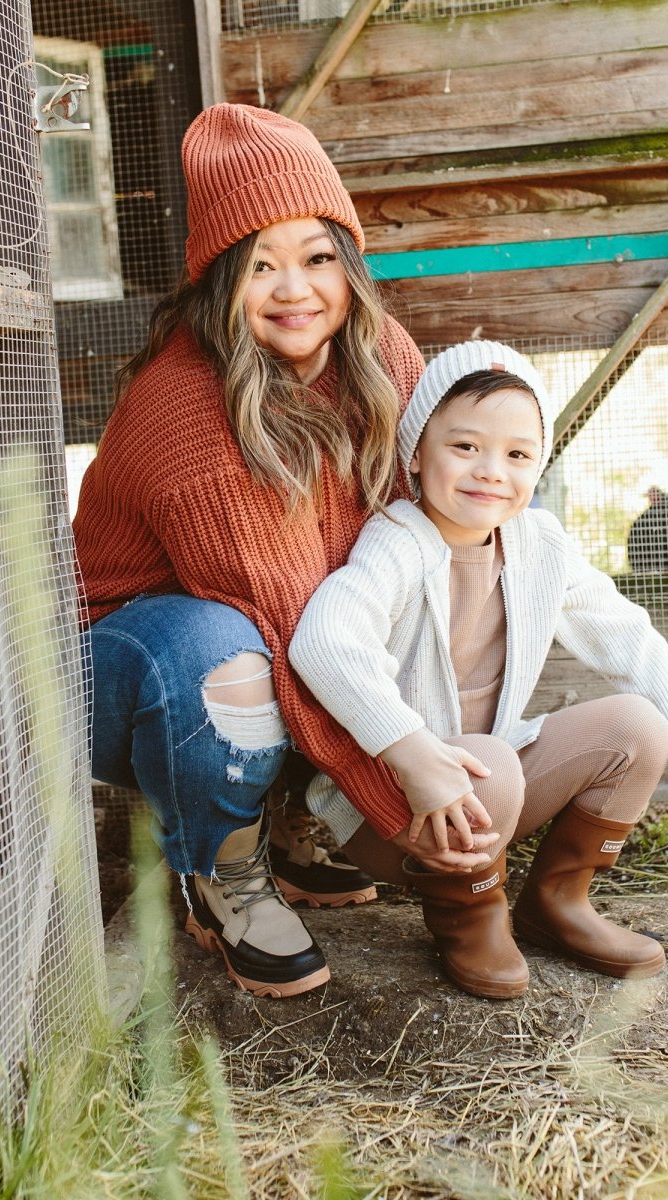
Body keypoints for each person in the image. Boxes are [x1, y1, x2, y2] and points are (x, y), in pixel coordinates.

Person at [72, 104, 479, 999]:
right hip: (122, 672)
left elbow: (412, 546)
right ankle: (222, 869)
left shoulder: (380, 355)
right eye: (262, 264)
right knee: (225, 645)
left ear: (349, 262)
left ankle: (286, 820)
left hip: (270, 628)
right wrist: (402, 789)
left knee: (368, 580)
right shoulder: (187, 406)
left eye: (318, 257)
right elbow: (292, 621)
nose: (296, 289)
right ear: (222, 279)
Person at [289, 340, 668, 998]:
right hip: (391, 807)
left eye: (518, 455)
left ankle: (557, 902)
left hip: (491, 787)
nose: (491, 471)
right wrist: (413, 753)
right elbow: (323, 642)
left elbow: (618, 626)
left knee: (639, 725)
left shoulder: (538, 543)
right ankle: (468, 914)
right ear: (415, 453)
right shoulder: (397, 541)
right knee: (489, 761)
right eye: (465, 446)